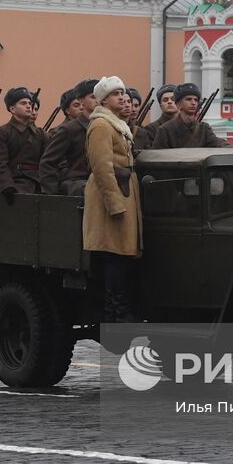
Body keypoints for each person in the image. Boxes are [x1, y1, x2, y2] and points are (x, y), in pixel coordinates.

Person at [84, 76, 143, 323]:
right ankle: (114, 311)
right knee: (114, 257)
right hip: (111, 197)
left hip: (125, 190)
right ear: (105, 100)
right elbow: (102, 167)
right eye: (116, 94)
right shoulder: (101, 126)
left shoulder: (116, 124)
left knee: (122, 256)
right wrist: (115, 204)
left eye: (123, 93)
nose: (122, 97)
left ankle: (120, 308)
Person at [0, 87, 45, 200]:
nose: (29, 106)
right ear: (12, 109)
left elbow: (49, 162)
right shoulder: (2, 132)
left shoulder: (40, 134)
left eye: (29, 103)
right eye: (23, 103)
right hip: (16, 184)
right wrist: (7, 186)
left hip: (39, 184)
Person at [40, 80, 95, 195]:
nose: (98, 100)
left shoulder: (103, 126)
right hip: (76, 182)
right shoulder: (68, 129)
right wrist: (52, 194)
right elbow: (48, 163)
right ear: (81, 100)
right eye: (93, 97)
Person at [150, 83, 228, 149]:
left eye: (196, 100)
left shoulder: (204, 128)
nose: (193, 103)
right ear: (178, 104)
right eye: (188, 99)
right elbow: (157, 158)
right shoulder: (165, 130)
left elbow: (218, 144)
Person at [134, 84, 177, 152]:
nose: (169, 102)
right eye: (165, 100)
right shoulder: (151, 129)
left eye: (173, 99)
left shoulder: (186, 126)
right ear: (160, 105)